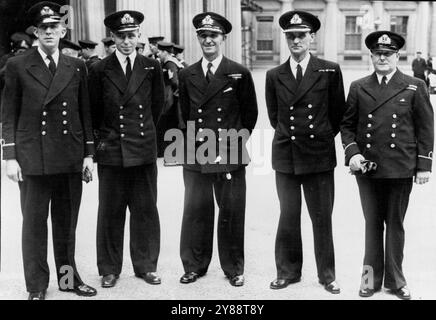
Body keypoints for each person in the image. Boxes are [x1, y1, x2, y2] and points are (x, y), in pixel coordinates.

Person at [1, 1, 97, 300]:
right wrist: (10, 156)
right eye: (44, 28)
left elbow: (85, 113)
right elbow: (8, 114)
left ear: (63, 29)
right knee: (34, 227)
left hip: (69, 156)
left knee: (66, 227)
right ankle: (37, 287)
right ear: (36, 32)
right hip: (33, 159)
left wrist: (88, 155)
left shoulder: (77, 65)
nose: (49, 32)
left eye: (54, 27)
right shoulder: (17, 65)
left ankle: (68, 280)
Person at [341, 31, 434, 300]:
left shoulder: (414, 85)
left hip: (400, 167)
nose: (382, 58)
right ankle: (369, 280)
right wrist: (353, 154)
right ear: (371, 56)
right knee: (372, 225)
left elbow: (425, 128)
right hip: (367, 168)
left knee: (395, 225)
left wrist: (424, 165)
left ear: (397, 56)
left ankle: (396, 281)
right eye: (377, 53)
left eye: (388, 53)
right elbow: (347, 126)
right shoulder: (358, 86)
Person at [265, 11, 346, 294]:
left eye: (301, 35)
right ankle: (287, 272)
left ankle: (327, 275)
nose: (296, 40)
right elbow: (275, 116)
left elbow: (338, 115)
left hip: (319, 155)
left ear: (312, 37)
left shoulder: (329, 70)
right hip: (286, 156)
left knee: (322, 217)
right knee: (288, 215)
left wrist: (319, 139)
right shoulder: (274, 75)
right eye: (291, 36)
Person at [178, 12, 258, 287]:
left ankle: (234, 268)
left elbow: (250, 116)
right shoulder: (186, 74)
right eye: (203, 35)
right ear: (198, 39)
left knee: (232, 212)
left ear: (223, 38)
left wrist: (232, 144)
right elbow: (183, 114)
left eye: (213, 35)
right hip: (197, 150)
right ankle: (194, 265)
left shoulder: (239, 72)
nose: (208, 40)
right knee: (196, 211)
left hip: (229, 150)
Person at [88, 10, 165, 289]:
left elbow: (158, 106)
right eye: (121, 36)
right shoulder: (99, 69)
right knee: (110, 211)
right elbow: (94, 111)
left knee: (145, 209)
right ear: (112, 37)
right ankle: (109, 268)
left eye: (131, 35)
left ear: (139, 36)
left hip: (142, 148)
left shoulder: (151, 67)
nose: (126, 41)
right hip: (112, 150)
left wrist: (142, 133)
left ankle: (146, 266)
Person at [155, 41, 184, 159]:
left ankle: (169, 153)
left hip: (170, 101)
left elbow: (174, 82)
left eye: (160, 52)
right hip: (171, 100)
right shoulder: (170, 63)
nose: (158, 55)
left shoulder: (169, 64)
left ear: (165, 52)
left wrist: (175, 94)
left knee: (168, 125)